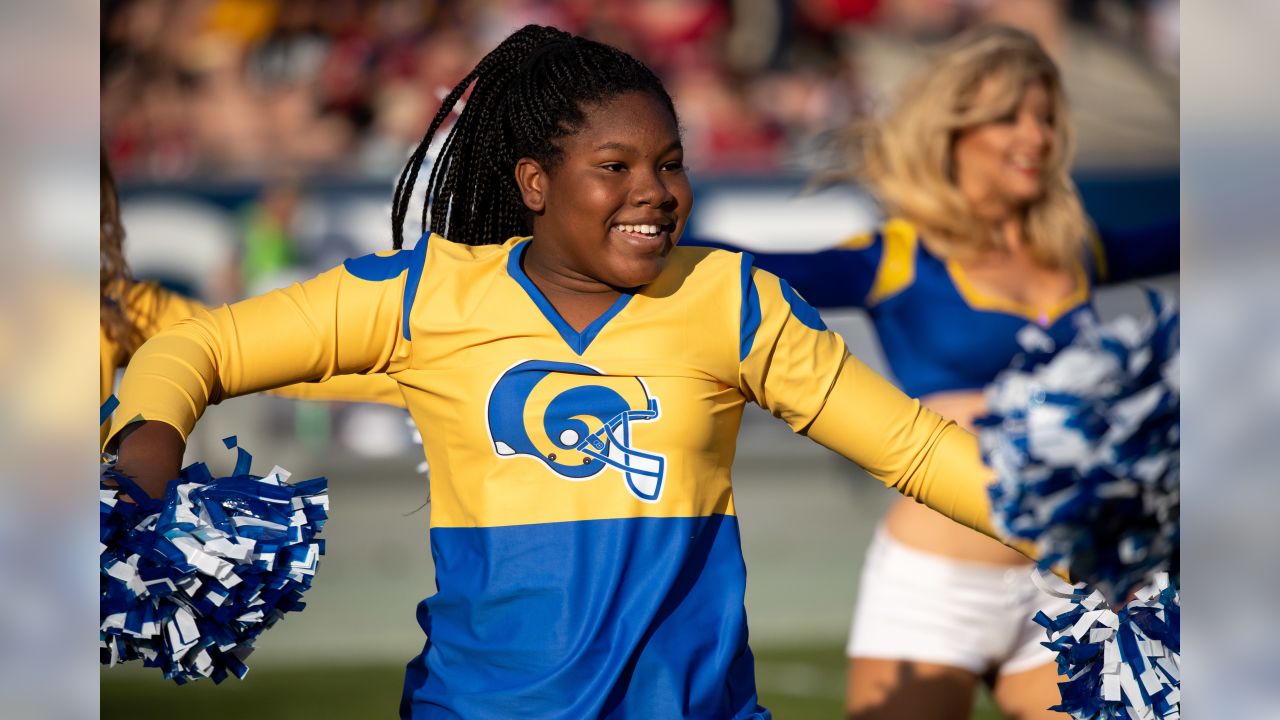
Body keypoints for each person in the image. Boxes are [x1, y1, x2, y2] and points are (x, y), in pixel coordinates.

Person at [105, 25, 1043, 719]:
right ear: (534, 184)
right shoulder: (428, 295)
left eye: (669, 165)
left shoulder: (730, 299)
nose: (654, 193)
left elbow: (917, 450)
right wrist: (141, 472)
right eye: (616, 165)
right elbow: (198, 348)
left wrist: (1082, 535)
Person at [690, 26, 1178, 720]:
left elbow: (1187, 230)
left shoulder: (1076, 250)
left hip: (1070, 587)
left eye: (1045, 117)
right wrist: (643, 224)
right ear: (953, 132)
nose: (1034, 137)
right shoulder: (898, 258)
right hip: (941, 583)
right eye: (1007, 117)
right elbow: (748, 266)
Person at [100, 152, 404, 446]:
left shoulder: (124, 308)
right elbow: (227, 280)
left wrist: (407, 375)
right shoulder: (252, 229)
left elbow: (270, 349)